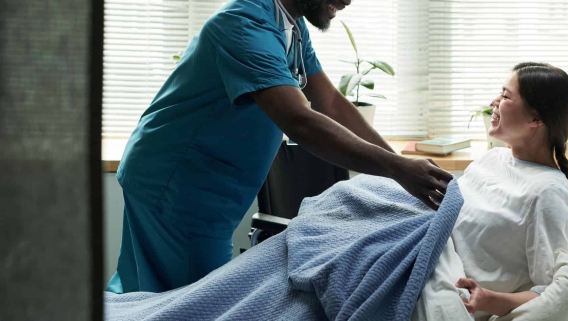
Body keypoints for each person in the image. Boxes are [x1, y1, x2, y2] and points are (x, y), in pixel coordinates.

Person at [106, 0, 451, 294]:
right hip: (177, 186)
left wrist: (399, 165)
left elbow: (329, 100)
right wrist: (397, 170)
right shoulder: (244, 26)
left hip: (209, 190)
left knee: (156, 292)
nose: (349, 0)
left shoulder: (290, 26)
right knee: (185, 304)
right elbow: (299, 119)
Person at [450, 62, 568, 318]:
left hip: (447, 293)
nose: (494, 102)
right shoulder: (491, 159)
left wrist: (488, 299)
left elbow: (553, 290)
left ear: (536, 118)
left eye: (506, 96)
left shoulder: (548, 193)